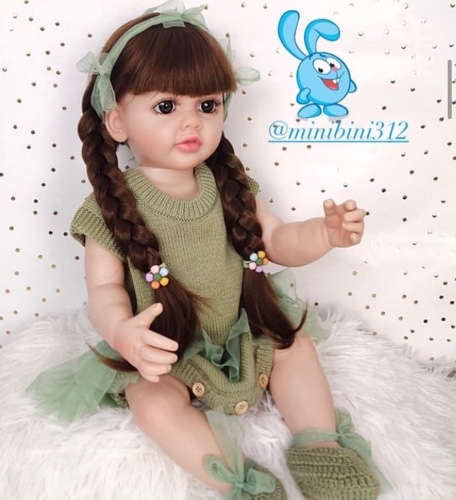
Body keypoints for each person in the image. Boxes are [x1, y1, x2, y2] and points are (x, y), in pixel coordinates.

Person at [28, 2, 386, 498]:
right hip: (167, 349)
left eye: (207, 106)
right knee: (152, 403)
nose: (192, 123)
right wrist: (124, 334)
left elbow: (277, 241)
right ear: (117, 122)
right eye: (166, 107)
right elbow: (105, 291)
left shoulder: (227, 186)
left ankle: (320, 444)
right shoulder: (110, 207)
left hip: (242, 331)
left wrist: (322, 235)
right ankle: (237, 479)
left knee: (295, 347)